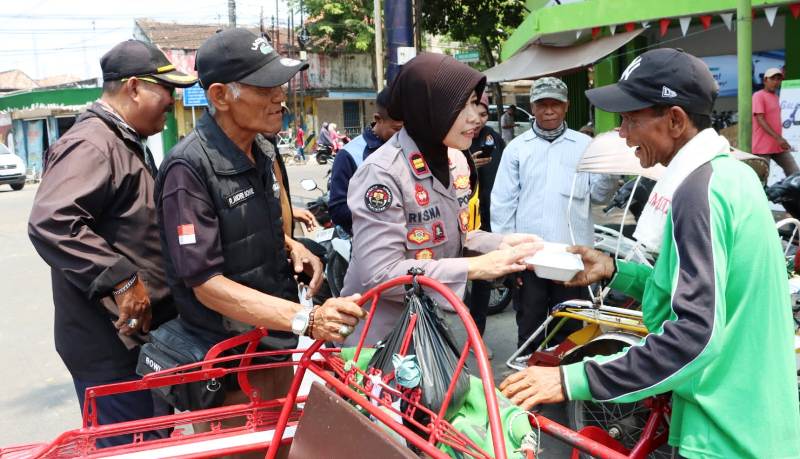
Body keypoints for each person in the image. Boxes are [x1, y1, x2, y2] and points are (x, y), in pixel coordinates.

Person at [500, 48, 800, 458]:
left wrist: (573, 379)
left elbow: (695, 335)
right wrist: (612, 270)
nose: (622, 133)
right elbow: (698, 290)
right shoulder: (731, 175)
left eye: (630, 119)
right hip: (759, 419)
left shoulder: (698, 192)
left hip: (725, 433)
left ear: (675, 120)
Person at [154, 28, 365, 445]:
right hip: (225, 364)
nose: (279, 97)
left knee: (283, 446)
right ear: (219, 96)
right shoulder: (188, 170)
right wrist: (306, 318)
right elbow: (205, 283)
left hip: (272, 346)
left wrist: (294, 247)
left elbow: (266, 226)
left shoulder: (264, 151)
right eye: (264, 86)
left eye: (280, 84)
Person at [27, 39, 198, 447]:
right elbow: (52, 220)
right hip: (109, 345)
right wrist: (123, 280)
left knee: (154, 443)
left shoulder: (124, 139)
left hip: (139, 341)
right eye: (166, 91)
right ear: (134, 87)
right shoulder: (92, 143)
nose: (172, 102)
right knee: (129, 449)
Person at [341, 53, 542, 345]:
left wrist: (500, 244)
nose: (475, 117)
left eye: (475, 103)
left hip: (430, 330)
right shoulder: (382, 174)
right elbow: (381, 275)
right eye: (461, 105)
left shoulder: (456, 161)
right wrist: (477, 268)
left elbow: (445, 239)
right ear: (428, 108)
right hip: (378, 341)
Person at [491, 77, 617, 355]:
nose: (549, 110)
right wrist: (510, 256)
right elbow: (502, 204)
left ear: (566, 106)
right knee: (530, 328)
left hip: (573, 259)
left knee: (571, 330)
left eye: (555, 104)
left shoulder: (585, 145)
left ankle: (564, 390)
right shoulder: (517, 148)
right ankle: (528, 391)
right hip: (531, 260)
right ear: (532, 107)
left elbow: (599, 195)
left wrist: (610, 170)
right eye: (542, 104)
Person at [329, 86, 404, 234]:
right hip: (370, 245)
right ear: (378, 119)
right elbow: (338, 210)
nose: (403, 136)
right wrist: (383, 213)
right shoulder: (349, 154)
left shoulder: (409, 148)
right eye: (397, 129)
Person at [463, 91, 506, 340]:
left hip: (487, 223)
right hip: (458, 224)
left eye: (483, 114)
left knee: (482, 283)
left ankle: (476, 339)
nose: (477, 120)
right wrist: (466, 163)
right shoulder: (455, 139)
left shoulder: (493, 138)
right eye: (473, 113)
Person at [753, 67, 798, 175]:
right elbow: (760, 119)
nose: (776, 82)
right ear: (765, 80)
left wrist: (779, 140)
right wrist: (779, 138)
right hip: (762, 147)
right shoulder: (758, 96)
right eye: (772, 79)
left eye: (778, 79)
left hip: (777, 146)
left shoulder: (775, 97)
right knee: (762, 180)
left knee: (795, 173)